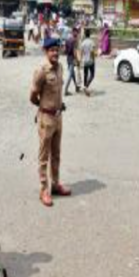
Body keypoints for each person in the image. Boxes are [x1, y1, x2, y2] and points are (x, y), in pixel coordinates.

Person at [30, 38, 72, 207]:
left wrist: (58, 106)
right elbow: (32, 95)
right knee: (43, 156)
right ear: (45, 51)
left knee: (56, 154)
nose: (55, 53)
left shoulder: (60, 68)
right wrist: (43, 108)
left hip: (58, 117)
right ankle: (43, 189)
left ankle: (55, 184)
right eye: (52, 50)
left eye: (57, 49)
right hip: (46, 118)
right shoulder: (41, 71)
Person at [79, 28, 97, 96]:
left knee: (85, 74)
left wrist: (80, 61)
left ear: (84, 34)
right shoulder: (91, 42)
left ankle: (84, 87)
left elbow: (81, 52)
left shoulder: (83, 43)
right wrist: (93, 58)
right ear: (90, 34)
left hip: (85, 61)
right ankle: (86, 86)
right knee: (92, 75)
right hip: (91, 60)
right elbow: (92, 52)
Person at [64, 27, 81, 96]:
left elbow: (65, 50)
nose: (77, 33)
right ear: (74, 32)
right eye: (77, 32)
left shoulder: (68, 39)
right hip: (72, 58)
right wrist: (77, 60)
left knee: (73, 74)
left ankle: (76, 87)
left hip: (68, 58)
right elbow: (75, 51)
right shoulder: (74, 40)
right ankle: (66, 90)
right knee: (70, 74)